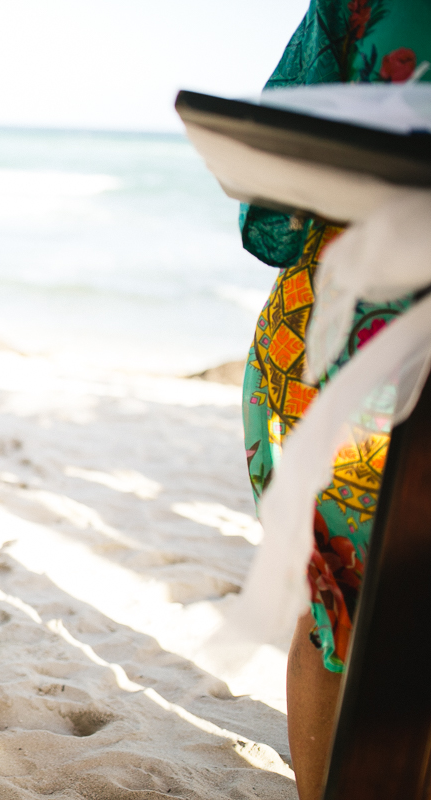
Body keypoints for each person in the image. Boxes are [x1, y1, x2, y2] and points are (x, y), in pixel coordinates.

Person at [239, 2, 431, 796]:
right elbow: (269, 224)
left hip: (344, 343)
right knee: (337, 610)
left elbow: (269, 224)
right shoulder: (355, 7)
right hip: (335, 357)